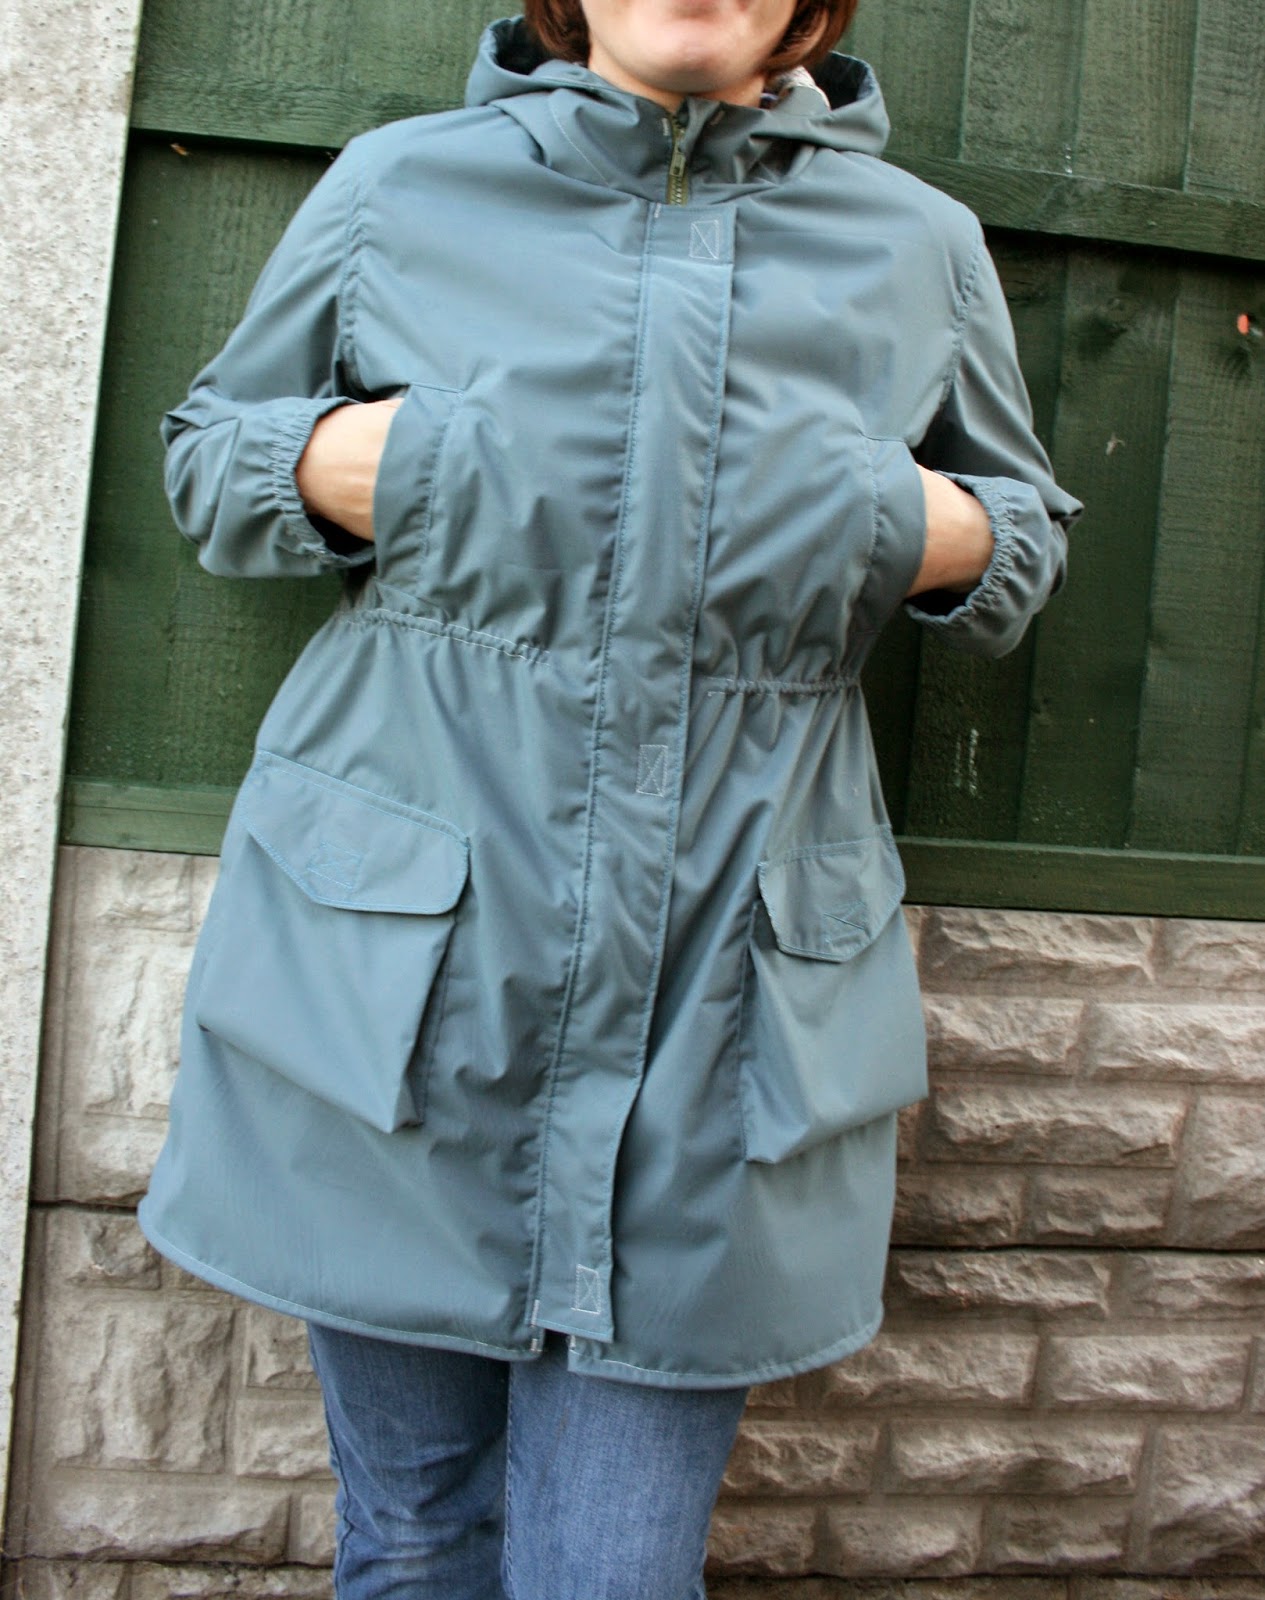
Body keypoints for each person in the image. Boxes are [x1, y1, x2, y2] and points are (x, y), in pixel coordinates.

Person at [140, 1, 1082, 1595]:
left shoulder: (917, 241)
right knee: (413, 1541)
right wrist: (372, 464)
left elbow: (1024, 535)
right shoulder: (396, 184)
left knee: (613, 1577)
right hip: (405, 984)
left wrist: (883, 513)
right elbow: (204, 462)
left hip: (727, 1000)